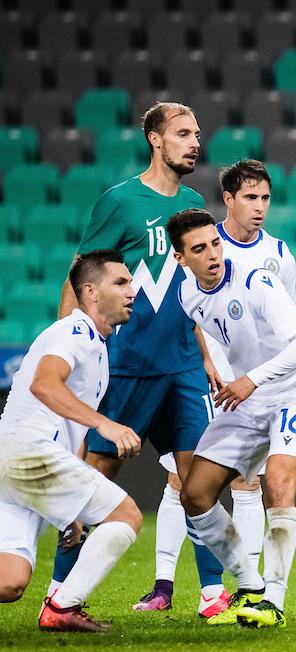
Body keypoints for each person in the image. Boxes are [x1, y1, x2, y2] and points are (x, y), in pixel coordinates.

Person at [51, 101, 232, 619]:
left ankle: (212, 593)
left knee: (200, 480)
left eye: (197, 133)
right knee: (95, 484)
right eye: (182, 134)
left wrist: (208, 356)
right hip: (126, 367)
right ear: (156, 140)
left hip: (182, 370)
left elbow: (193, 292)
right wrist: (71, 346)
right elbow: (80, 273)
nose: (194, 142)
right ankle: (62, 596)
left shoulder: (195, 202)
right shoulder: (121, 202)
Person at [134, 159, 296, 612]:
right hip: (211, 381)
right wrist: (205, 361)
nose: (260, 207)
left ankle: (242, 589)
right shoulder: (203, 242)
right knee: (180, 479)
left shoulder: (279, 255)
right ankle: (164, 585)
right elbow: (190, 313)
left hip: (258, 388)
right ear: (228, 200)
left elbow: (287, 325)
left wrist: (263, 379)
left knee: (248, 485)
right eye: (250, 197)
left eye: (265, 197)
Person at [168, 209, 296, 628]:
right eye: (199, 249)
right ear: (181, 258)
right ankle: (250, 585)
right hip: (246, 400)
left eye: (215, 243)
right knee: (196, 494)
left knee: (277, 482)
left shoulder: (256, 281)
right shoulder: (188, 294)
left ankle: (272, 602)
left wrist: (250, 380)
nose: (212, 254)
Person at [0, 251, 142, 632]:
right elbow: (44, 384)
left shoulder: (95, 345)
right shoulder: (74, 332)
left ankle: (60, 606)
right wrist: (106, 425)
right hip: (29, 451)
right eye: (121, 283)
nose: (133, 290)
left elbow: (70, 429)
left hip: (13, 459)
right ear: (91, 292)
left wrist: (72, 509)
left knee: (10, 581)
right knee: (126, 515)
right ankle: (62, 607)